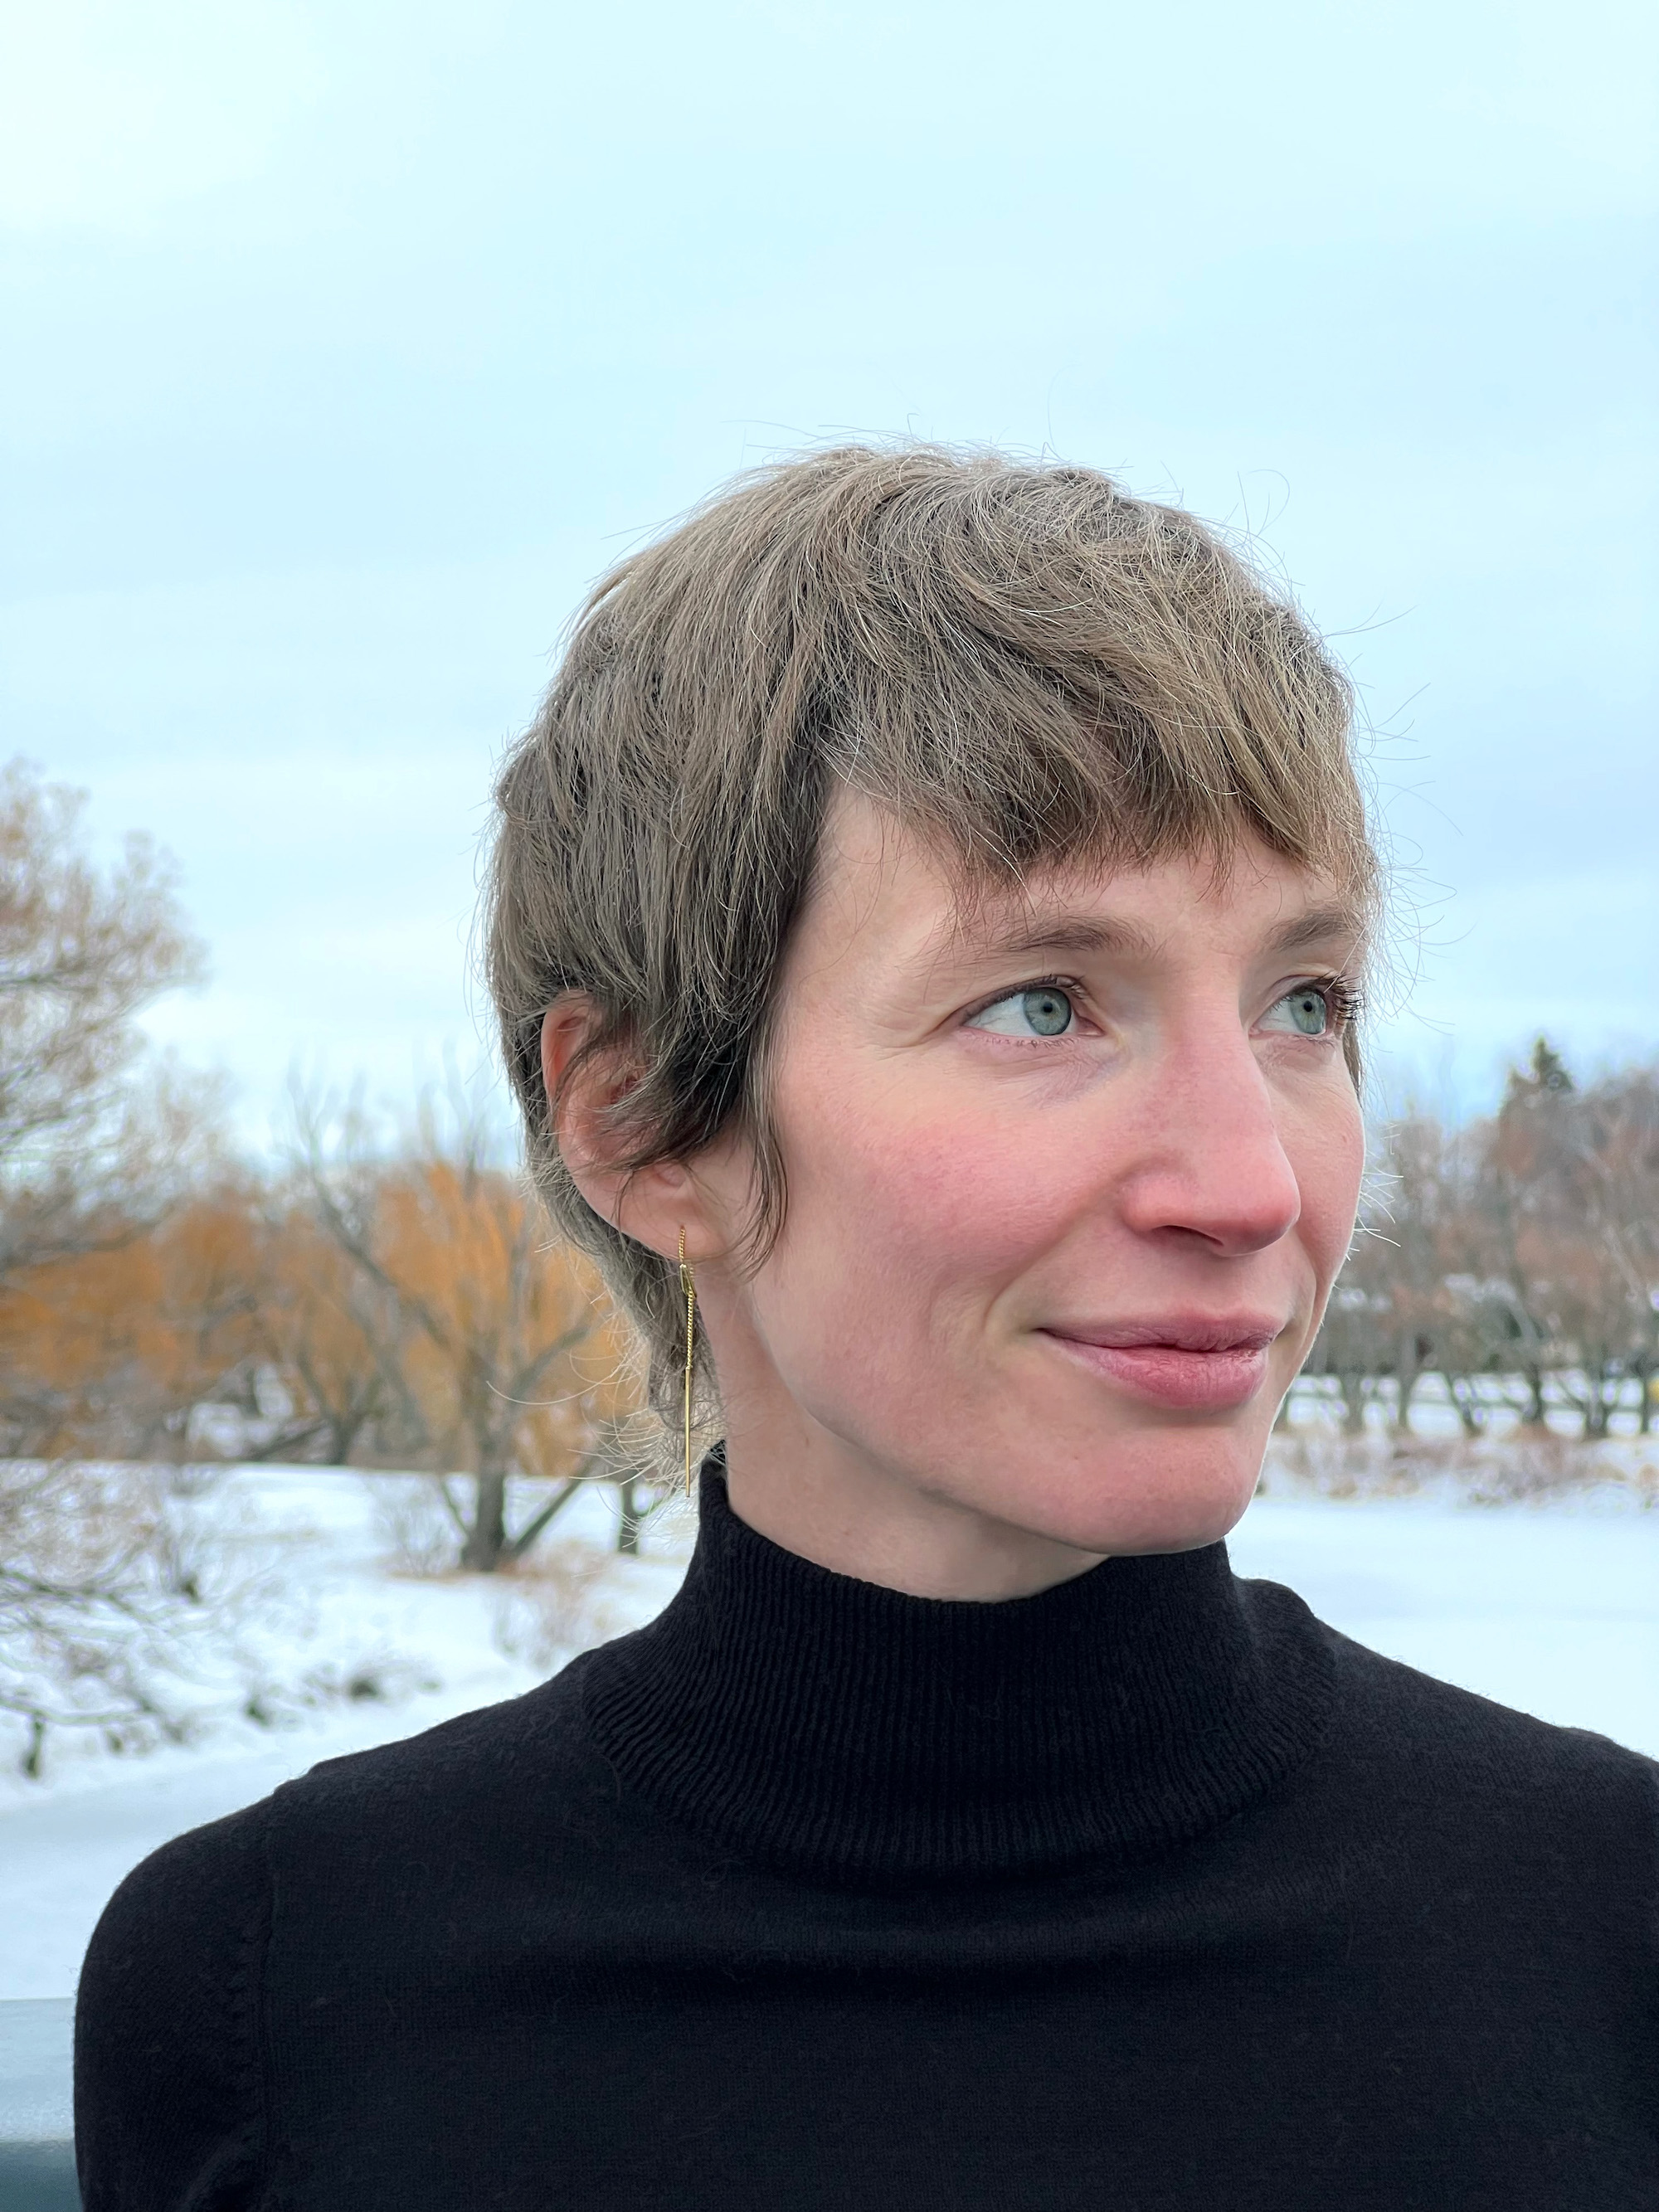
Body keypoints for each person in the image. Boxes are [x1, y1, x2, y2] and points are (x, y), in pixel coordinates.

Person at [75, 448, 1657, 2210]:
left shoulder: (1611, 1926)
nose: (1248, 1184)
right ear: (643, 1122)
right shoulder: (274, 1990)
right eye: (1043, 1004)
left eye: (1304, 1001)